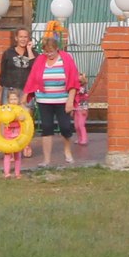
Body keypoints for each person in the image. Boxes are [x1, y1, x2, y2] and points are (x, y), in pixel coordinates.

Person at [26, 28, 85, 170]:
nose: (48, 54)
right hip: (44, 100)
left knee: (65, 127)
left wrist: (70, 100)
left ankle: (67, 150)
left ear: (57, 49)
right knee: (46, 128)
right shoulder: (40, 60)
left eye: (51, 51)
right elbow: (32, 78)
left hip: (62, 100)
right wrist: (25, 96)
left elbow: (73, 81)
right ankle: (46, 160)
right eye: (46, 51)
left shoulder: (66, 59)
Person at [0, 27, 35, 112]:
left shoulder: (33, 54)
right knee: (7, 116)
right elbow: (2, 75)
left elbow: (35, 70)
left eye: (25, 37)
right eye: (21, 37)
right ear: (16, 38)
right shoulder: (8, 53)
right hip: (9, 90)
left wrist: (29, 50)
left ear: (28, 38)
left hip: (26, 91)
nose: (23, 39)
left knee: (25, 117)